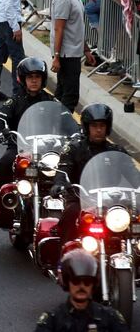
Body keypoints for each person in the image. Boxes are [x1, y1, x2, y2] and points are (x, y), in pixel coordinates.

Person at [52, 104, 130, 249]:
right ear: (87, 127)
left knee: (135, 221)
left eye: (102, 125)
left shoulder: (118, 151)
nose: (99, 129)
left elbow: (132, 175)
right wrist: (60, 184)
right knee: (71, 213)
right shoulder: (74, 149)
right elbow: (63, 170)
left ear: (108, 127)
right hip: (81, 199)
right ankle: (63, 256)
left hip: (112, 201)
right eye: (94, 126)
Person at [0, 57, 55, 190]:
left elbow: (65, 120)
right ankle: (1, 201)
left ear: (43, 79)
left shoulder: (52, 102)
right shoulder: (15, 101)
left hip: (46, 149)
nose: (34, 80)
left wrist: (77, 133)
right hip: (19, 147)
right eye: (30, 77)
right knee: (4, 163)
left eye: (37, 77)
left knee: (65, 170)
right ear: (23, 79)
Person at [35, 249, 128, 331]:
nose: (81, 286)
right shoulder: (52, 320)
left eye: (87, 282)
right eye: (76, 281)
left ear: (93, 284)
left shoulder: (110, 318)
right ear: (68, 282)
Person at [51, 0, 96, 112]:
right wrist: (56, 56)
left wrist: (86, 49)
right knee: (70, 96)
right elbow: (59, 29)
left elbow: (75, 26)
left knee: (62, 92)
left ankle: (54, 125)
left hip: (74, 51)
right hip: (67, 54)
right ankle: (62, 128)